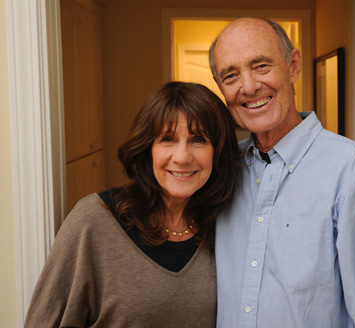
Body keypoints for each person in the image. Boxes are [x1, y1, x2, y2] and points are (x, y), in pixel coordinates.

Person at [209, 18, 355, 327]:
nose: (248, 87)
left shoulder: (354, 172)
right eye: (230, 75)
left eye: (261, 66)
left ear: (293, 66)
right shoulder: (220, 167)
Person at [24, 81, 241, 327]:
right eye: (168, 139)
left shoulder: (226, 224)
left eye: (198, 139)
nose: (182, 157)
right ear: (147, 147)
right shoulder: (93, 221)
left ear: (218, 150)